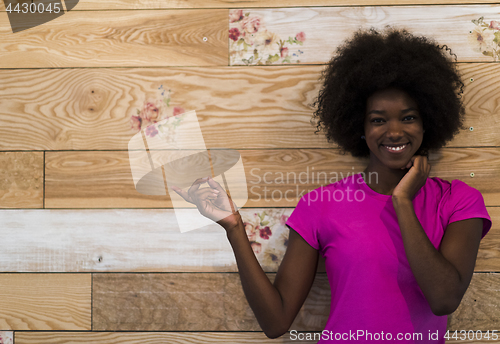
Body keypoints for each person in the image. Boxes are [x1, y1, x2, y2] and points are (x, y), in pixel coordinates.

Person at [171, 26, 492, 343]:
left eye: (408, 117)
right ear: (360, 127)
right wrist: (234, 227)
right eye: (378, 119)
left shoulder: (458, 202)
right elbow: (276, 320)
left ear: (428, 122)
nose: (394, 131)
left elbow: (444, 299)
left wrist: (403, 201)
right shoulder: (320, 205)